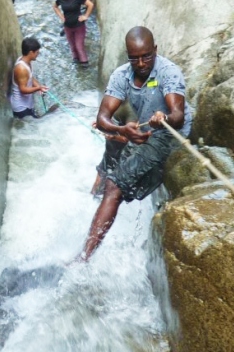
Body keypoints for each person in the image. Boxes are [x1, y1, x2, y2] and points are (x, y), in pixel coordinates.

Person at [80, 27, 193, 261]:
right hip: (143, 130)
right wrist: (121, 130)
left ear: (155, 50)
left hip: (170, 135)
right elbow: (102, 118)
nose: (140, 63)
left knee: (115, 186)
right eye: (134, 58)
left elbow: (178, 115)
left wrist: (163, 119)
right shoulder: (122, 75)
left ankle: (84, 257)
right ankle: (96, 197)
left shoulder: (168, 72)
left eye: (146, 56)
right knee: (113, 152)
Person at [53, 0, 94, 67]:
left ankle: (84, 63)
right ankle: (75, 60)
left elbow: (90, 5)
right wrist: (61, 16)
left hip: (79, 26)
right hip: (67, 26)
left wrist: (85, 16)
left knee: (79, 46)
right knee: (72, 45)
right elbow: (55, 7)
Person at [10, 37, 49, 118]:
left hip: (27, 104)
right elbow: (23, 90)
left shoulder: (24, 60)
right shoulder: (21, 69)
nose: (38, 54)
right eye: (37, 52)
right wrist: (38, 88)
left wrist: (39, 86)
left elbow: (30, 77)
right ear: (31, 52)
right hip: (21, 108)